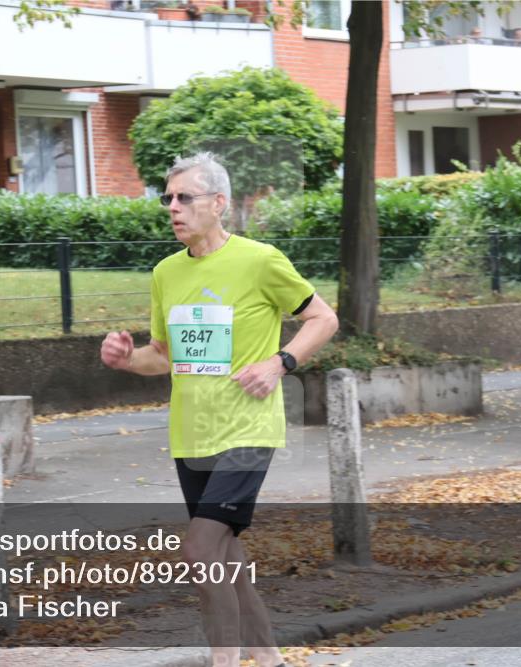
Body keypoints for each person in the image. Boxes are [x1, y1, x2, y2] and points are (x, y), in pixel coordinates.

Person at [100, 152, 339, 667]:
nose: (173, 207)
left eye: (185, 197)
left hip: (247, 430)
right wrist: (125, 359)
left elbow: (323, 318)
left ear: (218, 203)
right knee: (227, 559)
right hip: (191, 435)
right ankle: (270, 659)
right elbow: (161, 356)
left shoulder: (259, 260)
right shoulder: (166, 273)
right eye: (168, 198)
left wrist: (280, 362)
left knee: (199, 550)